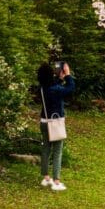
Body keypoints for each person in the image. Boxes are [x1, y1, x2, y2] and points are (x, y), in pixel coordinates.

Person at [37, 61, 75, 191]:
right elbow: (70, 88)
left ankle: (46, 177)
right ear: (50, 75)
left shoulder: (43, 87)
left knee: (46, 149)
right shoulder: (54, 89)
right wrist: (68, 75)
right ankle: (56, 181)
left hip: (44, 122)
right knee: (58, 150)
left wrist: (59, 79)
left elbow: (54, 87)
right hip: (55, 123)